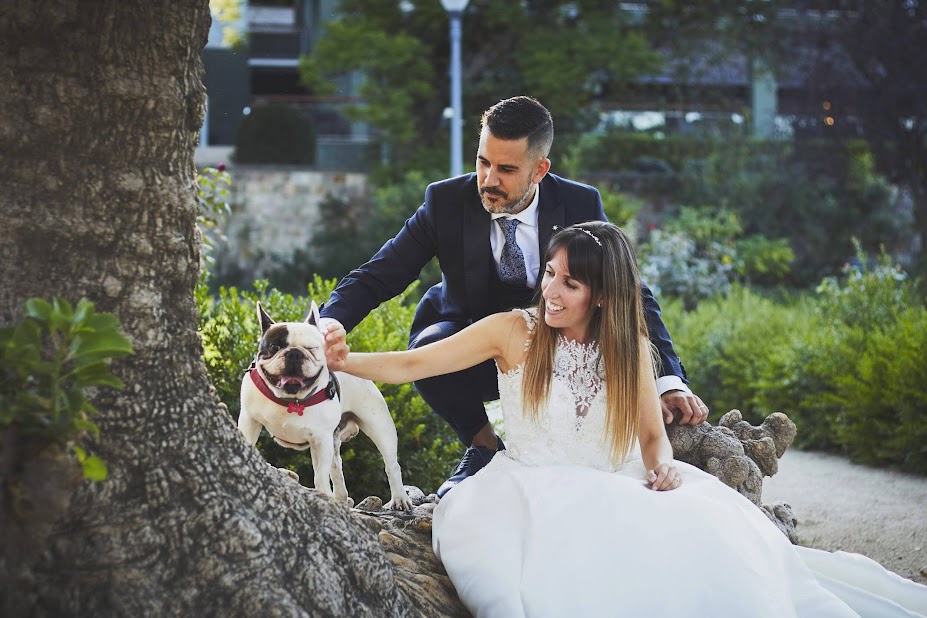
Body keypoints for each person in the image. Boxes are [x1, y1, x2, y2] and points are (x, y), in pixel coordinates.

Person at [340, 222, 927, 618]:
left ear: (602, 294)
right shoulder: (512, 331)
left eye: (569, 283)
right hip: (522, 490)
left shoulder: (630, 349)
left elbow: (651, 436)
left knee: (713, 564)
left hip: (615, 480)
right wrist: (339, 357)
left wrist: (663, 467)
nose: (550, 290)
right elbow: (414, 361)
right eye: (550, 272)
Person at [319, 96, 707, 497]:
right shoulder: (446, 202)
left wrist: (668, 381)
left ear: (539, 170)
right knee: (430, 344)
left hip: (556, 344)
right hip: (468, 336)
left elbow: (629, 292)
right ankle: (483, 444)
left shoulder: (579, 204)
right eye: (483, 162)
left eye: (506, 169)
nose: (488, 179)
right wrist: (329, 325)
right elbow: (381, 273)